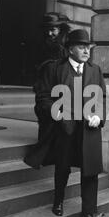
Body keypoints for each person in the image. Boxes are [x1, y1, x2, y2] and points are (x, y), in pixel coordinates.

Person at [24, 29, 107, 217]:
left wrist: (99, 116)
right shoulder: (54, 69)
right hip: (65, 128)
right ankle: (58, 199)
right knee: (63, 166)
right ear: (70, 49)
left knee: (90, 172)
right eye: (81, 46)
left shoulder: (95, 70)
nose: (87, 50)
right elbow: (42, 98)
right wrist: (57, 112)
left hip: (88, 131)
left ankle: (88, 213)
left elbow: (102, 99)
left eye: (88, 47)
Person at [34, 12, 71, 142]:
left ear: (61, 29)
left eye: (53, 30)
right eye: (47, 30)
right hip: (46, 86)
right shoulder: (43, 46)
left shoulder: (68, 45)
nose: (50, 34)